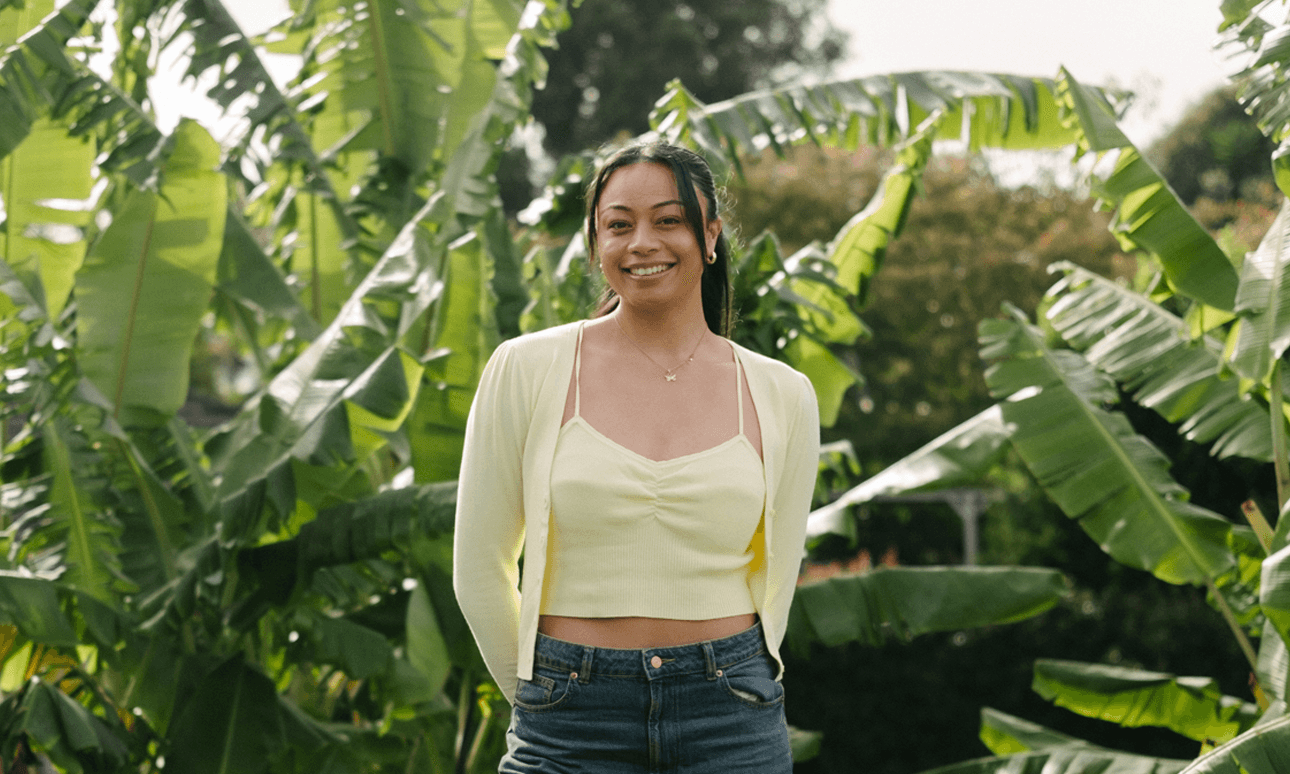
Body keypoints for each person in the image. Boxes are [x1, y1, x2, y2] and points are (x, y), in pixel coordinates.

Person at [453, 139, 820, 773]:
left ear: (710, 236)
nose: (642, 242)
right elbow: (479, 565)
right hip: (568, 713)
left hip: (730, 711)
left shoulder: (782, 394)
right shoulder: (527, 368)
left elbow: (779, 574)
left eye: (669, 220)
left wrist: (738, 676)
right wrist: (541, 699)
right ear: (596, 245)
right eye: (618, 225)